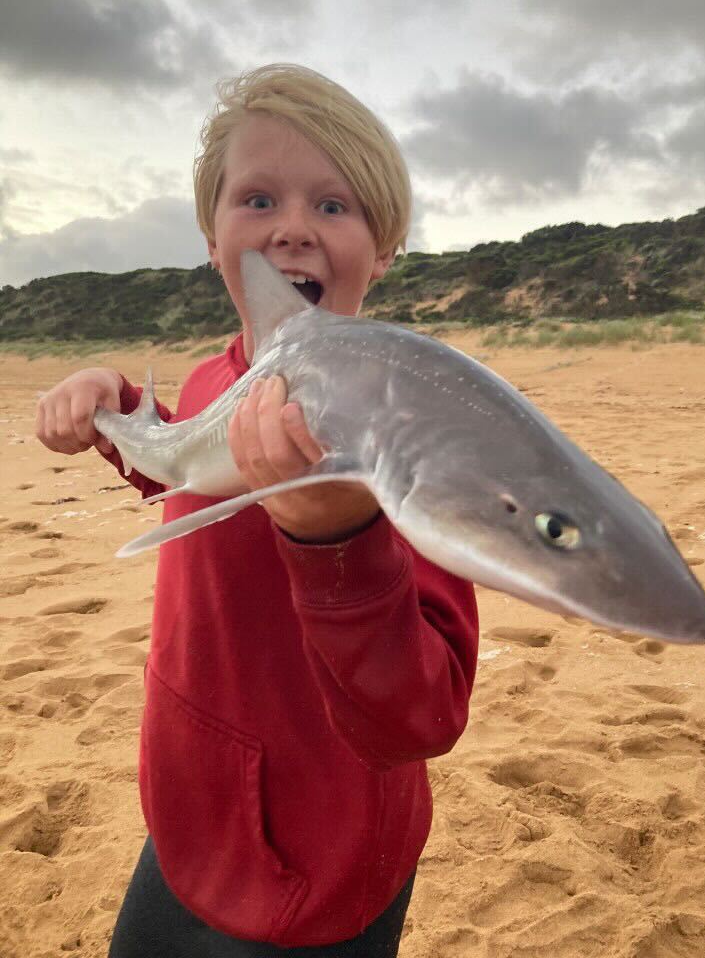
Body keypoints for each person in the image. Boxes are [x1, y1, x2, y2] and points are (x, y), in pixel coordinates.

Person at [35, 64, 479, 957]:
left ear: (383, 246)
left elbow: (422, 719)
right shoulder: (215, 378)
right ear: (213, 239)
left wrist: (337, 535)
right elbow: (181, 465)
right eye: (260, 199)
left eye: (334, 206)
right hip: (190, 809)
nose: (291, 230)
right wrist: (113, 404)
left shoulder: (408, 433)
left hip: (324, 860)